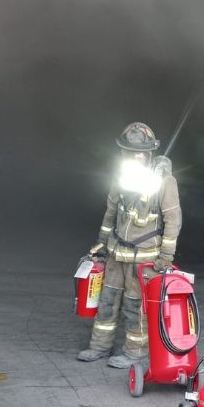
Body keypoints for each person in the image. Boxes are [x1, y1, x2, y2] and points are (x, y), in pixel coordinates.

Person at [77, 122, 182, 369]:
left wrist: (166, 256)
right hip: (116, 254)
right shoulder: (121, 178)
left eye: (139, 152)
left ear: (148, 154)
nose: (134, 156)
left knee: (136, 307)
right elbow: (111, 212)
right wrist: (101, 246)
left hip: (144, 259)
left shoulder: (165, 182)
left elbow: (173, 219)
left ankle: (135, 352)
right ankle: (99, 347)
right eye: (128, 151)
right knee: (107, 301)